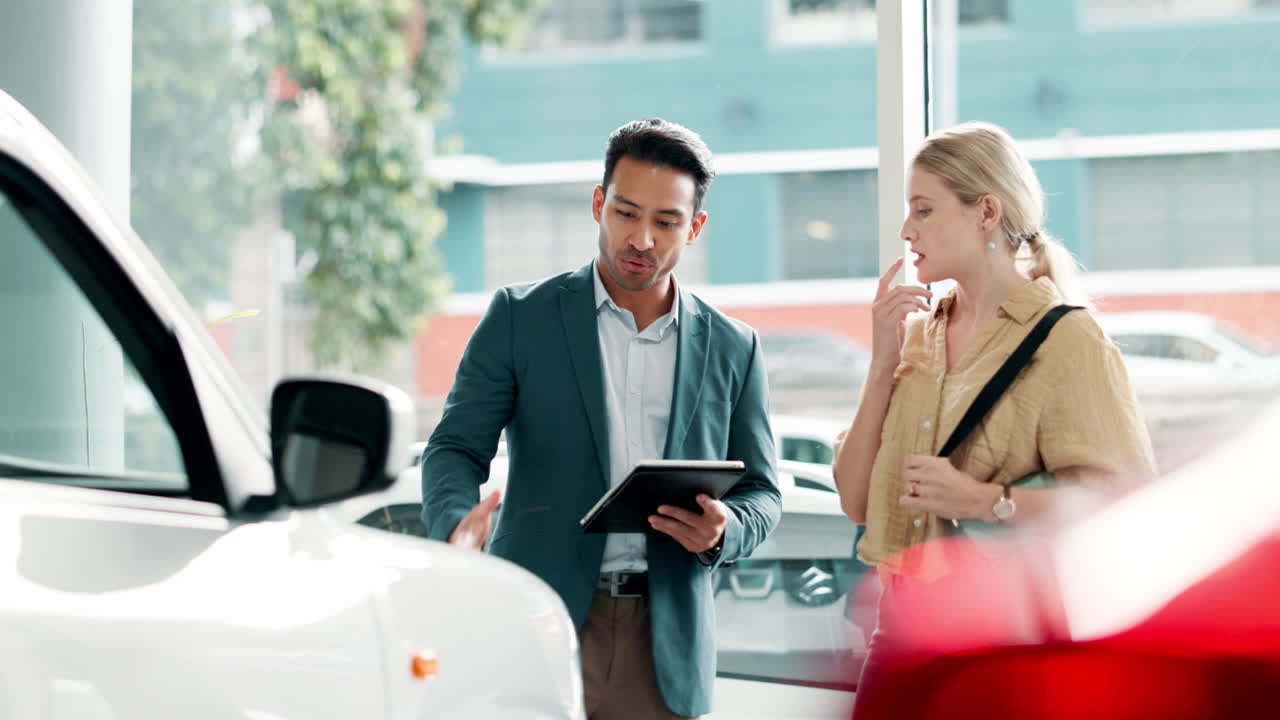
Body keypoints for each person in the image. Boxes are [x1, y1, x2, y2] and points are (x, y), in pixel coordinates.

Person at [421, 117, 781, 720]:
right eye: (625, 212)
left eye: (665, 222)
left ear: (694, 228)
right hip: (538, 623)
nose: (640, 238)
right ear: (598, 204)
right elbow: (454, 447)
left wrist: (725, 530)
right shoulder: (519, 317)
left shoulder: (733, 346)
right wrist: (456, 523)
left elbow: (764, 494)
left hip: (665, 645)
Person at [831, 121, 1157, 717]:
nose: (907, 231)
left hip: (1000, 642)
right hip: (897, 634)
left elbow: (1121, 504)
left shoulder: (1067, 341)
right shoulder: (918, 338)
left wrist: (985, 500)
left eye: (923, 210)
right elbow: (856, 501)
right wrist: (882, 364)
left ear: (985, 213)